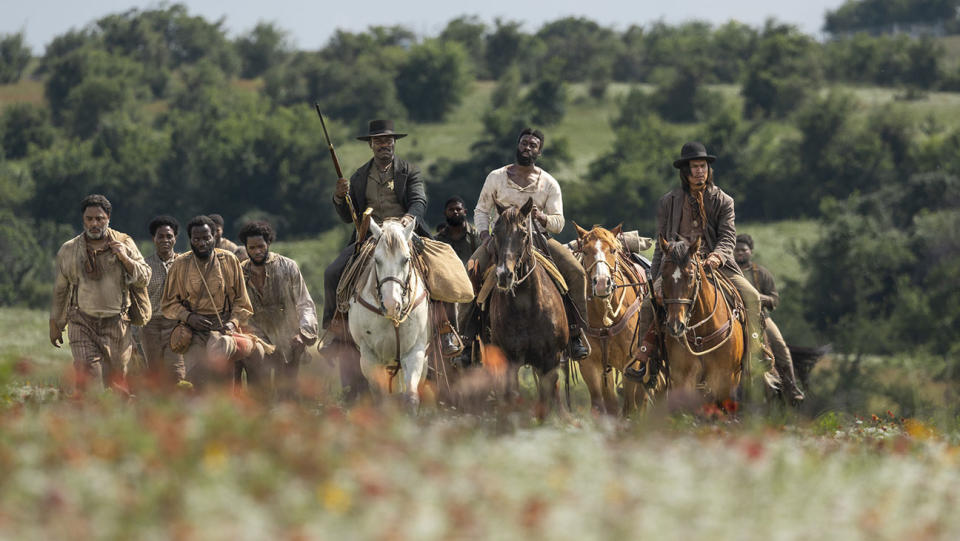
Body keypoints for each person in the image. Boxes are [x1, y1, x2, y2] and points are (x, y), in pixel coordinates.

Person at [625, 142, 773, 393]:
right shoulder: (668, 202)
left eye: (703, 167)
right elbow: (661, 241)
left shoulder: (724, 200)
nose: (699, 172)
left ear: (708, 169)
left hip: (714, 264)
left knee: (751, 297)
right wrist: (655, 277)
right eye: (694, 167)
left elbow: (728, 237)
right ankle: (644, 358)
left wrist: (716, 257)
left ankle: (757, 352)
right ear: (685, 171)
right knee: (650, 304)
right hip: (676, 265)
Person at [321, 119, 460, 356]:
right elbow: (348, 215)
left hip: (406, 232)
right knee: (333, 272)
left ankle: (446, 330)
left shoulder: (409, 171)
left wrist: (408, 217)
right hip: (371, 236)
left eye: (387, 140)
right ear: (371, 145)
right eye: (378, 141)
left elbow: (419, 201)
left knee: (441, 270)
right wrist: (339, 197)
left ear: (394, 143)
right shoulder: (359, 176)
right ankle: (335, 329)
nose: (383, 144)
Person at [458, 128, 591, 362]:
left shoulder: (549, 183)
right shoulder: (496, 177)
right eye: (524, 143)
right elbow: (481, 209)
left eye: (533, 145)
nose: (527, 148)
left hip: (538, 240)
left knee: (576, 272)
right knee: (471, 271)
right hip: (500, 240)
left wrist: (542, 218)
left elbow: (558, 223)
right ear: (517, 146)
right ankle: (467, 340)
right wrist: (485, 236)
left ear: (539, 151)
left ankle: (575, 334)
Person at [50, 194, 152, 393]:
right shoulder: (69, 249)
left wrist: (124, 257)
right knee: (88, 373)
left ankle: (113, 420)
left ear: (108, 219)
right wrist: (55, 324)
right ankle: (84, 416)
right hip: (82, 322)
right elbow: (60, 290)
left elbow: (145, 277)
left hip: (117, 323)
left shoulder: (124, 242)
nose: (94, 223)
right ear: (83, 220)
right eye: (89, 219)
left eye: (99, 218)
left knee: (116, 382)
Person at [161, 215, 260, 388]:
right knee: (197, 381)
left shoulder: (229, 260)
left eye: (206, 238)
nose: (201, 243)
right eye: (196, 239)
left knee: (224, 381)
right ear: (190, 239)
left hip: (223, 330)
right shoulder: (180, 264)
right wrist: (189, 317)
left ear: (215, 237)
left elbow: (242, 302)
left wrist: (232, 323)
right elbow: (169, 304)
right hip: (193, 332)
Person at [238, 220, 318, 399]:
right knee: (259, 392)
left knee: (287, 393)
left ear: (268, 243)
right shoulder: (239, 272)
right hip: (256, 337)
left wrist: (303, 332)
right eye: (252, 248)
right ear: (246, 248)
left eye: (260, 246)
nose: (257, 251)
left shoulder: (288, 266)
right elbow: (236, 308)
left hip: (287, 337)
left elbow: (305, 303)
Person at [735, 233, 805, 404]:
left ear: (751, 251)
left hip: (761, 319)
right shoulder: (728, 272)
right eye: (736, 250)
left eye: (743, 250)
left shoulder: (762, 273)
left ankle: (791, 387)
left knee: (781, 347)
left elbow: (774, 300)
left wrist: (756, 297)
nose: (739, 253)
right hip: (735, 319)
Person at [141, 215, 186, 386]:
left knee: (176, 371)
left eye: (169, 236)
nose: (165, 240)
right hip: (150, 325)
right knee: (154, 373)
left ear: (175, 238)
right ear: (154, 239)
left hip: (176, 324)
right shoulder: (145, 266)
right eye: (160, 236)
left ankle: (179, 407)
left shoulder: (184, 263)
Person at [435, 196, 480, 266]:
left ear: (465, 212)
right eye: (451, 210)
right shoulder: (438, 240)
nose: (455, 212)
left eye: (458, 209)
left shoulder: (476, 236)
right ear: (445, 213)